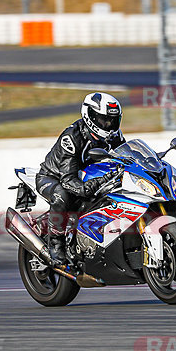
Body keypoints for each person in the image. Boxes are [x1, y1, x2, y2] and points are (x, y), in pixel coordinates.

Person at [36, 92, 126, 265]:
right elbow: (68, 179)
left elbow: (124, 156)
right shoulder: (72, 137)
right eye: (103, 120)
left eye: (112, 121)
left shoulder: (114, 135)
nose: (108, 125)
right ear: (90, 116)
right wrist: (90, 186)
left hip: (84, 177)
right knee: (62, 196)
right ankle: (56, 245)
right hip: (52, 177)